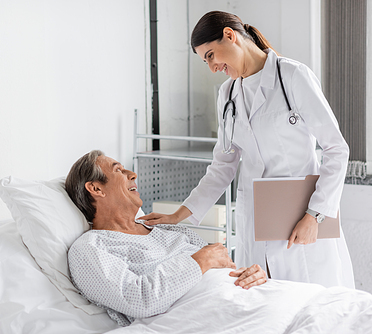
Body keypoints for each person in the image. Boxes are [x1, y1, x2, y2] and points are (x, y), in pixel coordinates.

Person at [139, 11, 354, 289]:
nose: (212, 66)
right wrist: (178, 216)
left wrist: (316, 215)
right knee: (262, 307)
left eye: (210, 55)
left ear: (230, 36)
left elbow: (337, 149)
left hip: (301, 218)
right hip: (256, 223)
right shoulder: (227, 95)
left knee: (312, 307)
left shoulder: (292, 76)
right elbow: (222, 167)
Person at [65, 150, 267, 326]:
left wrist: (248, 275)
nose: (133, 174)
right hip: (207, 317)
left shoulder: (169, 230)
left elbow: (221, 262)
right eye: (118, 170)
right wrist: (199, 261)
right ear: (96, 189)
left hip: (247, 300)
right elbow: (138, 300)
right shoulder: (89, 248)